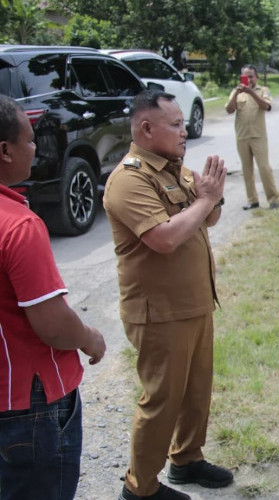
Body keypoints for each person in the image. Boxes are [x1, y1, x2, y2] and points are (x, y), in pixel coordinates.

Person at [103, 90, 232, 500]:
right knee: (161, 400)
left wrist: (211, 194)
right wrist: (207, 197)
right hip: (158, 312)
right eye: (175, 124)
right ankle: (139, 488)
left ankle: (186, 459)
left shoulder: (173, 169)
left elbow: (208, 217)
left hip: (194, 302)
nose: (185, 130)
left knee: (196, 391)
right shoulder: (129, 178)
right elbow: (164, 238)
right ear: (146, 128)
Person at [0, 95, 106, 500]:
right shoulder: (19, 226)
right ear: (5, 150)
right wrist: (90, 338)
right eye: (29, 140)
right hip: (31, 402)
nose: (35, 148)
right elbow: (52, 324)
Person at [225, 64, 279, 210]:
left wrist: (251, 93)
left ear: (257, 77)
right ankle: (252, 199)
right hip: (242, 136)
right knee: (247, 170)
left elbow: (266, 107)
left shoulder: (263, 90)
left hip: (258, 136)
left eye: (251, 76)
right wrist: (237, 93)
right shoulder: (236, 92)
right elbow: (229, 110)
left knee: (264, 168)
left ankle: (273, 198)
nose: (248, 79)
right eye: (245, 76)